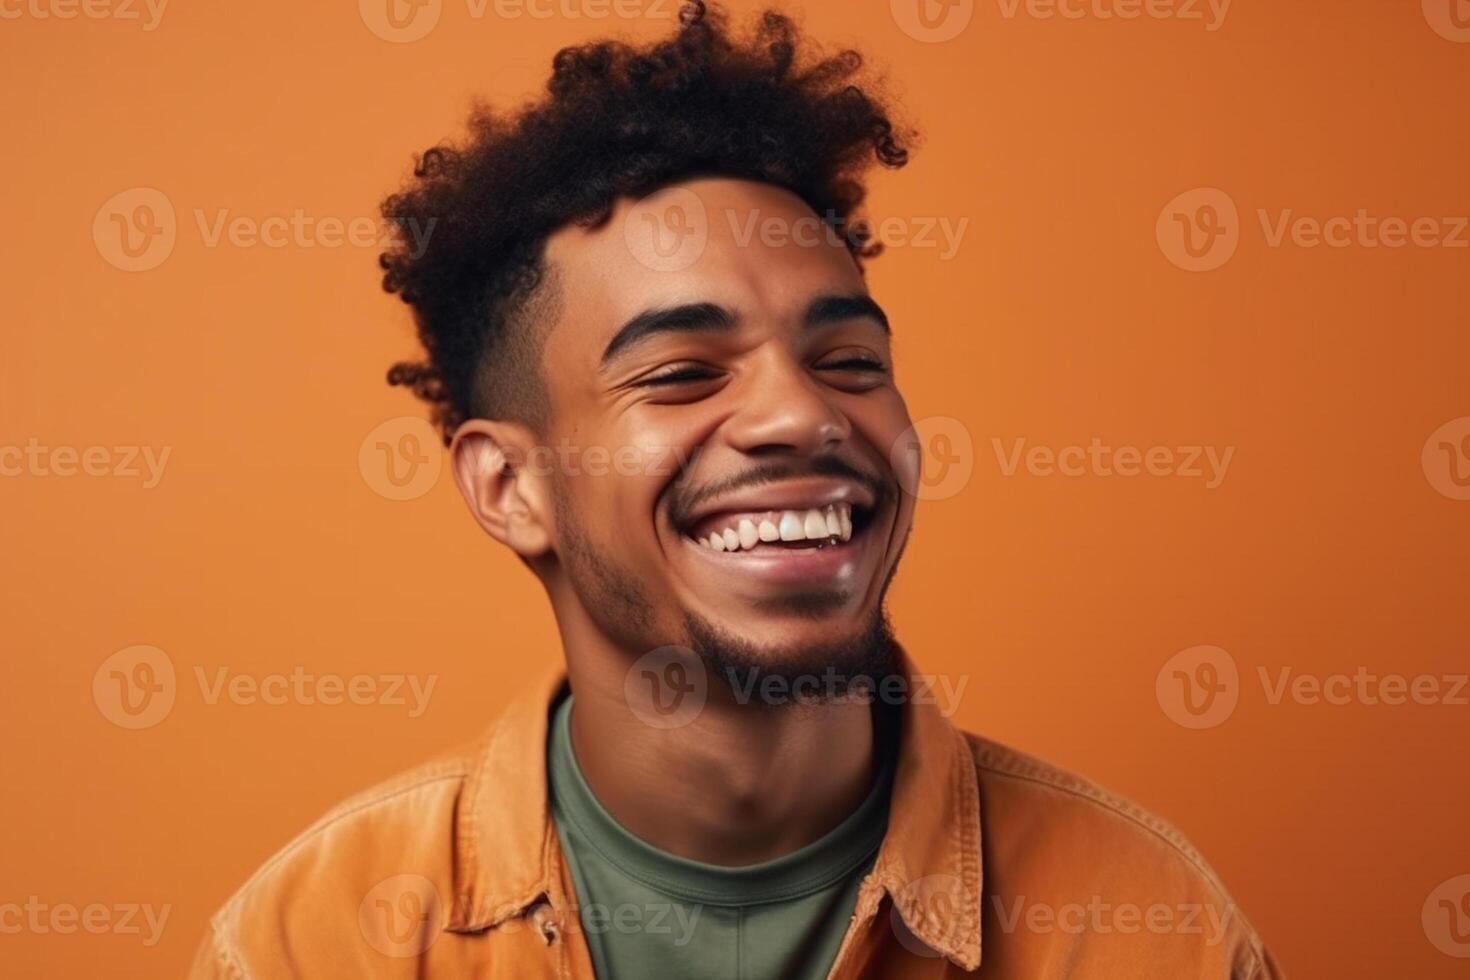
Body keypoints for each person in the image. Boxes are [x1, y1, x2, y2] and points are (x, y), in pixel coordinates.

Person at [189, 3, 1281, 976]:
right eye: (681, 373)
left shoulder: (1154, 928)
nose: (803, 415)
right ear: (511, 483)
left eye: (851, 361)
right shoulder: (311, 940)